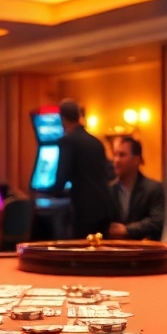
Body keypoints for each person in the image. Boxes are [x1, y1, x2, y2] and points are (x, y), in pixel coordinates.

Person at [51, 99, 116, 239]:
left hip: (85, 209)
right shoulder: (96, 142)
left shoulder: (67, 141)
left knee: (81, 252)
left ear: (63, 119)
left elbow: (61, 178)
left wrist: (50, 193)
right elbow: (106, 173)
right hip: (105, 206)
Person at [107, 136, 164, 240]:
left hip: (144, 251)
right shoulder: (108, 190)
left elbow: (158, 221)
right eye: (115, 155)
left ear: (136, 160)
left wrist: (127, 230)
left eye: (122, 155)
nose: (116, 160)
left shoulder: (153, 188)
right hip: (114, 251)